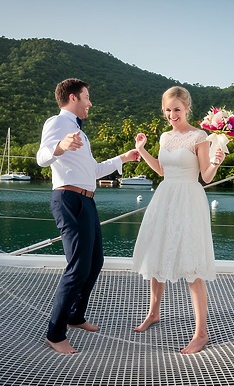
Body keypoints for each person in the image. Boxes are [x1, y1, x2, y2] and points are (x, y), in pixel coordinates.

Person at [37, 78, 140, 354]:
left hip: (87, 200)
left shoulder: (79, 133)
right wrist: (60, 146)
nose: (90, 103)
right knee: (78, 267)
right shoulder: (58, 124)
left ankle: (75, 315)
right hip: (69, 200)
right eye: (87, 98)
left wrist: (124, 158)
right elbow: (42, 157)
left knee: (95, 262)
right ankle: (55, 333)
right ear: (73, 98)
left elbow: (92, 170)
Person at [132, 86, 225, 354]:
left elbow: (206, 176)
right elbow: (162, 170)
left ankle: (201, 333)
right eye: (168, 110)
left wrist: (217, 161)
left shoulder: (199, 136)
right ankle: (153, 313)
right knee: (157, 254)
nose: (172, 114)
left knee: (191, 263)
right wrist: (142, 149)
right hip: (165, 197)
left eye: (177, 109)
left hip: (189, 200)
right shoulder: (164, 137)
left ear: (186, 109)